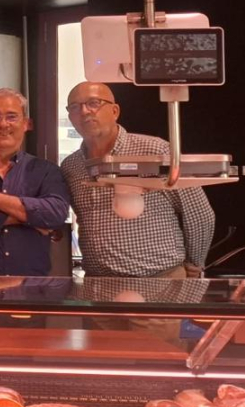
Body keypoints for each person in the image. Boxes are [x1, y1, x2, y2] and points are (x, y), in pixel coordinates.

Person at [60, 81, 215, 278]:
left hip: (161, 280)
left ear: (115, 111)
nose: (84, 111)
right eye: (75, 107)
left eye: (93, 103)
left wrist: (194, 263)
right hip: (98, 282)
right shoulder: (71, 166)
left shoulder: (155, 151)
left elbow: (199, 213)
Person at [0, 88, 71, 276]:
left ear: (25, 124)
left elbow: (56, 213)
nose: (2, 124)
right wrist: (30, 219)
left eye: (11, 117)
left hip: (32, 285)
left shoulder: (47, 170)